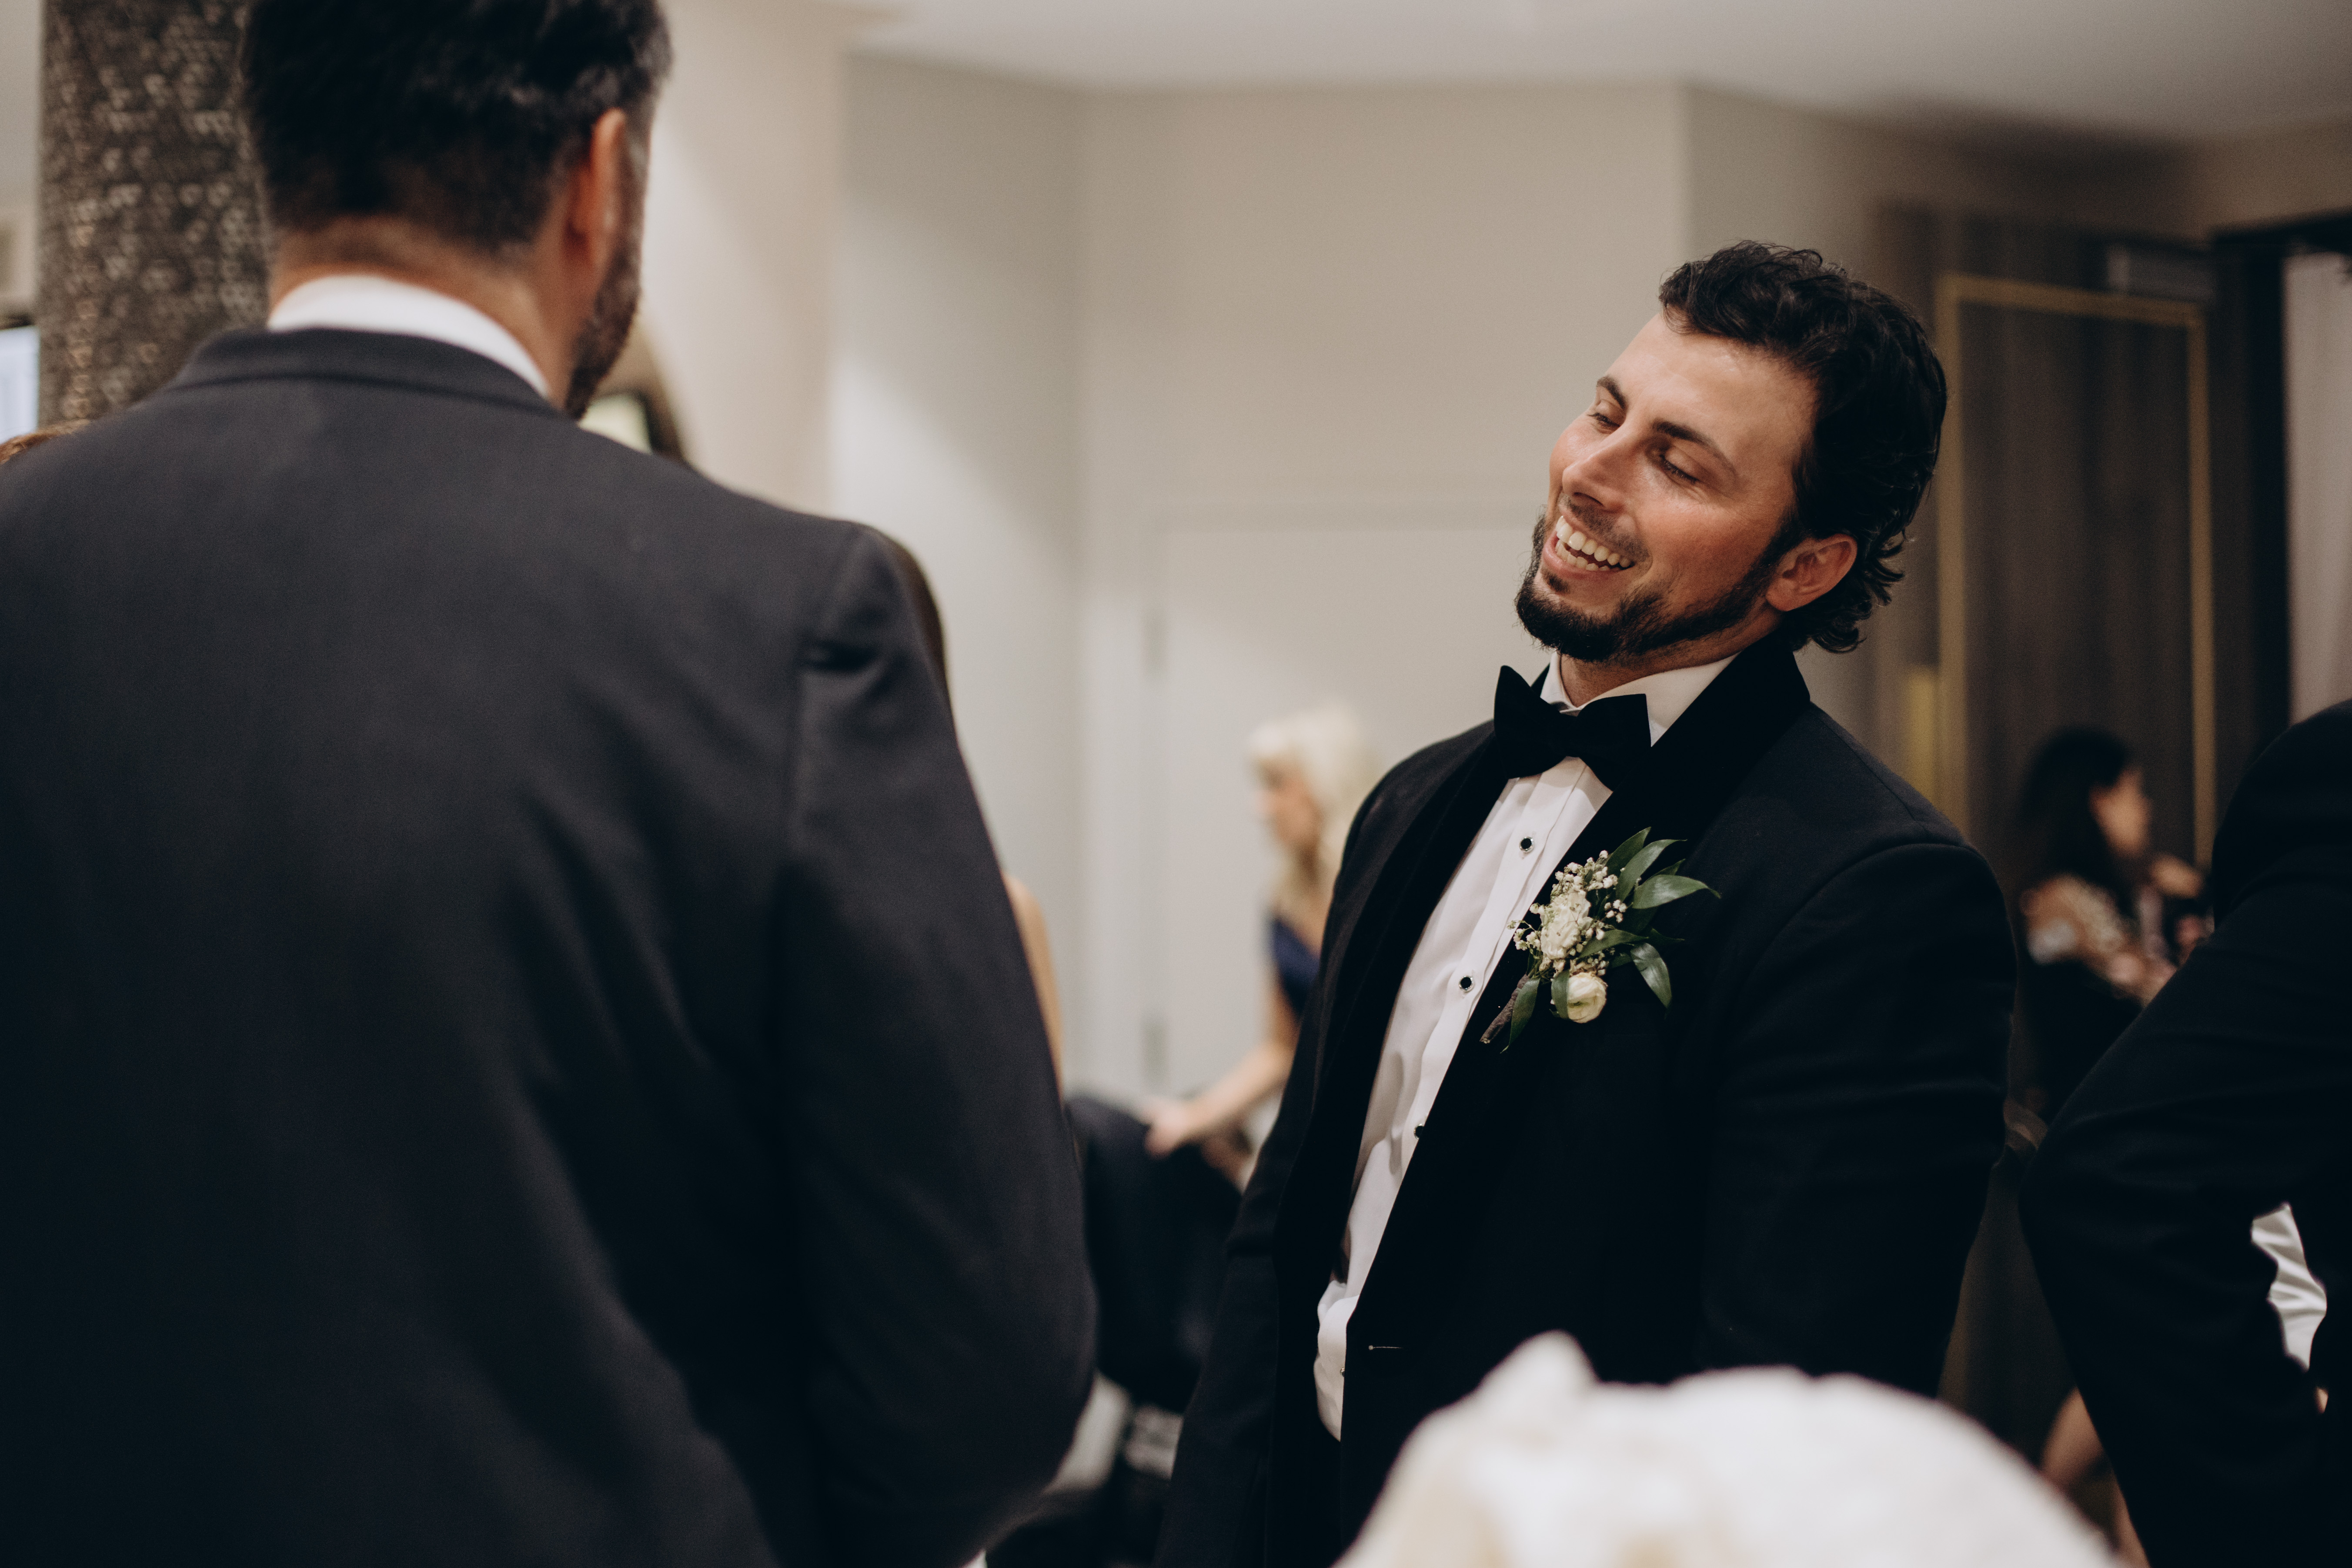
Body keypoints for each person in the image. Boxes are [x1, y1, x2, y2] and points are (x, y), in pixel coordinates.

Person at [0, 4, 1091, 1566]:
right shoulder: (781, 621)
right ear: (597, 176)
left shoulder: (31, 562)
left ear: (268, 154)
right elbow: (986, 1374)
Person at [1158, 242, 2015, 1568]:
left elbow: (1788, 1413)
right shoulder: (1410, 799)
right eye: (1605, 411)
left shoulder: (1871, 891)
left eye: (1679, 463)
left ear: (1802, 566)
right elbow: (1282, 1233)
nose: (1589, 471)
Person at [2022, 703, 2350, 1564]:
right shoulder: (2061, 901)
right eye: (2131, 791)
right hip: (2129, 1114)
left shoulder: (2103, 895)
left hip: (2156, 1116)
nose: (2145, 810)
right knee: (2125, 1372)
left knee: (2116, 1382)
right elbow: (2142, 984)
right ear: (2093, 797)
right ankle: (2045, 1512)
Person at [1145, 705, 1381, 1171]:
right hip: (1312, 1127)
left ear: (1326, 786)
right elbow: (1280, 1048)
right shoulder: (1283, 903)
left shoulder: (1378, 890)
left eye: (1276, 785)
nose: (1260, 807)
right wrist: (1199, 1115)